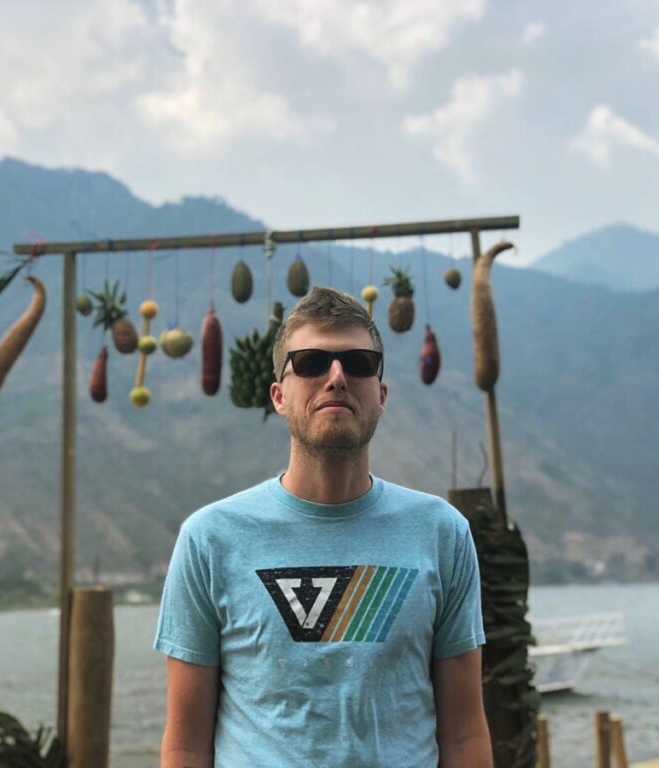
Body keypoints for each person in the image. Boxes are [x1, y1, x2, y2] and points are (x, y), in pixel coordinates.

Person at [154, 286, 491, 767]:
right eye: (310, 362)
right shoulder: (211, 538)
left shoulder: (441, 533)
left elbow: (463, 737)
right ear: (279, 396)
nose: (336, 377)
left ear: (381, 393)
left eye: (357, 363)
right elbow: (186, 744)